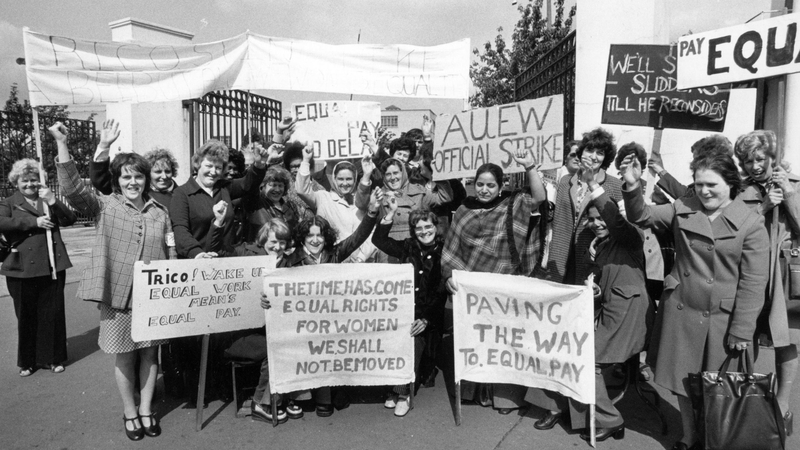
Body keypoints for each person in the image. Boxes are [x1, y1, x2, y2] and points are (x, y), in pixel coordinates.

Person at [619, 150, 769, 450]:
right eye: (699, 184)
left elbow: (754, 283)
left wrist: (742, 328)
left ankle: (717, 439)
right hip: (683, 310)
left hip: (724, 320)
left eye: (712, 184)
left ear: (730, 182)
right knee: (684, 382)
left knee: (719, 388)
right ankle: (689, 435)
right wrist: (633, 185)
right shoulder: (683, 206)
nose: (704, 191)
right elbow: (642, 216)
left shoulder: (751, 223)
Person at [51, 121, 171, 441]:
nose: (133, 181)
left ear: (146, 179)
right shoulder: (105, 205)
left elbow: (169, 254)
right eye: (126, 176)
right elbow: (74, 188)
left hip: (151, 299)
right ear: (118, 181)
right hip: (117, 297)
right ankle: (130, 411)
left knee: (150, 354)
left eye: (138, 175)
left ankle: (146, 409)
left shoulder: (159, 211)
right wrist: (66, 144)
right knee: (126, 354)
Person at [532, 173, 654, 440]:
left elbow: (617, 223)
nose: (597, 224)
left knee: (587, 360)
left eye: (601, 218)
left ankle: (610, 419)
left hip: (629, 314)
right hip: (609, 311)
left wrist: (593, 187)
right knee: (572, 348)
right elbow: (606, 279)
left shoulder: (630, 236)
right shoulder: (599, 244)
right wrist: (596, 287)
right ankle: (571, 409)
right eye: (592, 219)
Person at [442, 148, 547, 414]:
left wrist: (530, 166)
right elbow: (452, 252)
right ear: (473, 185)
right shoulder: (464, 210)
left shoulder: (512, 203)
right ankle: (471, 390)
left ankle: (498, 394)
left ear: (501, 187)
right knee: (473, 338)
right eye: (480, 184)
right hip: (473, 289)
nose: (485, 190)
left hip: (503, 286)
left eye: (491, 185)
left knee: (501, 340)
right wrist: (451, 278)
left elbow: (538, 197)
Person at [272, 187, 383, 418]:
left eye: (319, 235)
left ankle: (325, 396)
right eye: (310, 235)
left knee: (328, 358)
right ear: (302, 237)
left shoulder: (333, 254)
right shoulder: (289, 260)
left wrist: (372, 212)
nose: (315, 240)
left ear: (326, 237)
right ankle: (299, 396)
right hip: (301, 325)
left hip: (329, 324)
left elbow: (358, 238)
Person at [735, 130, 798, 436]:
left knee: (782, 340)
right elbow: (733, 231)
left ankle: (783, 405)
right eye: (748, 160)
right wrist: (762, 208)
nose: (754, 165)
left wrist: (789, 194)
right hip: (749, 274)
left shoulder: (794, 184)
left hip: (782, 277)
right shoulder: (739, 190)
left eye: (760, 158)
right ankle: (749, 401)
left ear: (773, 156)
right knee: (746, 338)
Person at [0, 158, 76, 377]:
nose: (30, 184)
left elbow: (70, 219)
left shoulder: (47, 200)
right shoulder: (9, 202)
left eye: (34, 180)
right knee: (26, 315)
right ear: (16, 182)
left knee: (52, 314)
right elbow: (2, 222)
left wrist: (53, 201)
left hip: (52, 265)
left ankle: (53, 358)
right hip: (21, 268)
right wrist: (34, 223)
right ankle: (28, 361)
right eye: (25, 181)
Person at [372, 202, 447, 416]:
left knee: (412, 340)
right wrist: (390, 215)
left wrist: (425, 320)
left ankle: (403, 393)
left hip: (428, 318)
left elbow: (440, 293)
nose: (424, 232)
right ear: (414, 231)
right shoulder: (408, 247)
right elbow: (379, 240)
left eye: (428, 227)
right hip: (404, 312)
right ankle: (395, 389)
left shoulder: (445, 251)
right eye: (419, 228)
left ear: (436, 227)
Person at [539, 128, 623, 286]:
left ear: (605, 158)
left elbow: (622, 224)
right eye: (590, 150)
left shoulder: (614, 186)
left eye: (600, 153)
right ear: (581, 152)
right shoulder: (565, 181)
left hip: (591, 256)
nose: (593, 156)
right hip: (560, 252)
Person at [295, 145, 376, 263]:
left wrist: (361, 257)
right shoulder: (323, 197)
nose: (345, 183)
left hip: (363, 261)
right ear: (334, 179)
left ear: (354, 180)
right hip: (335, 261)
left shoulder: (362, 201)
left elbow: (371, 231)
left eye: (349, 179)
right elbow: (302, 190)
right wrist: (306, 161)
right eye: (340, 179)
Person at [243, 166, 300, 242]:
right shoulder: (255, 204)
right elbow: (251, 185)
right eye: (273, 185)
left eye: (280, 186)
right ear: (263, 186)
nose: (277, 189)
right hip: (260, 251)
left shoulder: (290, 207)